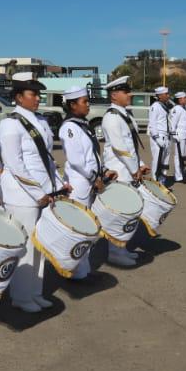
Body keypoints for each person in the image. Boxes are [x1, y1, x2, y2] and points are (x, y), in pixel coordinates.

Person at [0, 72, 66, 313]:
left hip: (43, 192)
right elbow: (15, 164)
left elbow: (46, 160)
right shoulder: (10, 123)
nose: (37, 98)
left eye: (38, 94)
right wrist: (38, 192)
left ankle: (35, 292)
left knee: (41, 245)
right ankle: (20, 296)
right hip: (22, 196)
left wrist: (56, 186)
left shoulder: (41, 121)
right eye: (32, 94)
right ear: (18, 96)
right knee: (25, 247)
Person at [60, 86, 113, 282]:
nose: (88, 105)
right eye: (84, 101)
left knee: (88, 229)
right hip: (80, 184)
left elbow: (92, 156)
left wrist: (104, 171)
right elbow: (76, 160)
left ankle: (84, 270)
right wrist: (94, 178)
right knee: (79, 230)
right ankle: (76, 274)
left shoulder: (82, 124)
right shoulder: (70, 128)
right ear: (73, 105)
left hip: (88, 182)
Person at [98, 76, 146, 265]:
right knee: (119, 214)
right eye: (126, 92)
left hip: (129, 170)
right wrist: (135, 170)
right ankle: (114, 253)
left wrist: (140, 164)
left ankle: (122, 249)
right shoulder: (111, 117)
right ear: (114, 95)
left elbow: (131, 146)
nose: (130, 94)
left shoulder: (125, 115)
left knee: (127, 214)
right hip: (120, 172)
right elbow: (120, 147)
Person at [147, 86, 179, 187]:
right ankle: (155, 183)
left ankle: (162, 182)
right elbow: (152, 124)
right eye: (166, 94)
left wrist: (173, 134)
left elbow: (168, 121)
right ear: (160, 96)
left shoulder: (164, 105)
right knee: (157, 160)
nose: (168, 96)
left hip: (166, 136)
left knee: (165, 160)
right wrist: (156, 138)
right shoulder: (155, 106)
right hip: (159, 137)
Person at [170, 91, 186, 183]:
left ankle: (181, 174)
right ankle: (179, 176)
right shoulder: (176, 109)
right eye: (185, 97)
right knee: (178, 156)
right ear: (179, 99)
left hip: (185, 135)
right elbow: (172, 123)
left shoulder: (184, 109)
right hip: (179, 136)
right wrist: (174, 135)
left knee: (182, 156)